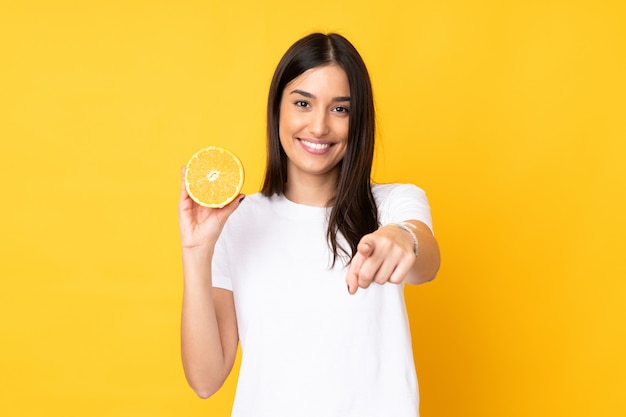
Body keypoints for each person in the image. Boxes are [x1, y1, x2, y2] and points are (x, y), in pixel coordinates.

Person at [178, 32, 440, 417]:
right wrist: (197, 254)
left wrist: (403, 238)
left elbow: (426, 262)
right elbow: (205, 380)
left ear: (358, 119)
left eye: (340, 109)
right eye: (303, 103)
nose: (318, 127)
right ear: (277, 110)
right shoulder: (237, 221)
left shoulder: (393, 205)